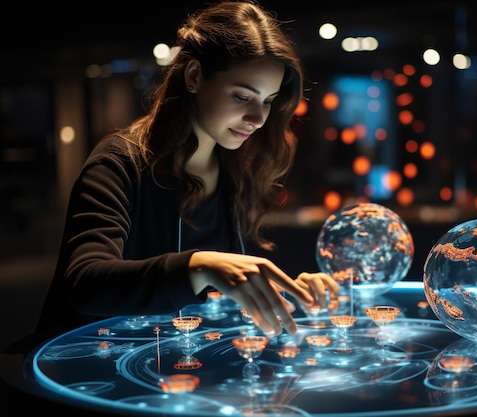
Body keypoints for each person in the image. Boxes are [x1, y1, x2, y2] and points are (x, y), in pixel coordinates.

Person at [35, 0, 338, 341]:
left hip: (175, 365)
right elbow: (85, 282)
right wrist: (199, 265)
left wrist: (289, 291)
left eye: (267, 101)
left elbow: (219, 292)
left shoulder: (236, 167)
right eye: (242, 97)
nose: (258, 118)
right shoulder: (120, 162)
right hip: (88, 364)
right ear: (194, 76)